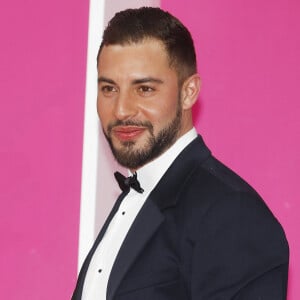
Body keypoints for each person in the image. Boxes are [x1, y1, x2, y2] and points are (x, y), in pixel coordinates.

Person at [72, 7, 289, 300]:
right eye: (109, 88)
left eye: (145, 88)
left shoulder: (231, 213)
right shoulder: (137, 197)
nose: (121, 109)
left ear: (188, 92)